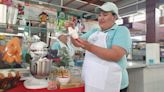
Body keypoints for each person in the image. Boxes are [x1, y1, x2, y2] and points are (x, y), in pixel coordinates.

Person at [65, 2, 132, 92]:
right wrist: (72, 31)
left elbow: (115, 55)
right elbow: (77, 42)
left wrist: (89, 47)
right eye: (99, 15)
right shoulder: (94, 31)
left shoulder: (121, 31)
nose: (101, 18)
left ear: (114, 17)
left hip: (114, 83)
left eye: (105, 15)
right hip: (94, 80)